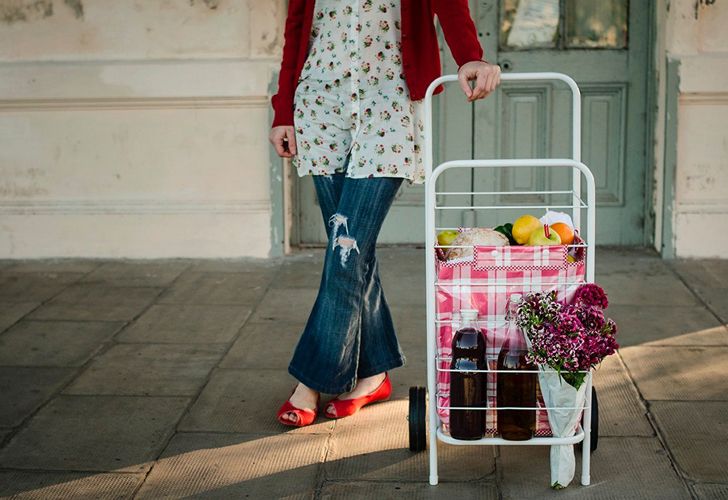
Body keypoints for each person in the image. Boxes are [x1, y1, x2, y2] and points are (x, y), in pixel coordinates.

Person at [269, 0, 501, 427]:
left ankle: (311, 380)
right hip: (319, 104)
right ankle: (374, 375)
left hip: (387, 104)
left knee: (348, 251)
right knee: (354, 252)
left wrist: (469, 54)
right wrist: (283, 108)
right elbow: (297, 26)